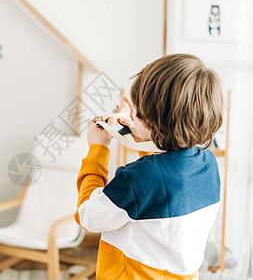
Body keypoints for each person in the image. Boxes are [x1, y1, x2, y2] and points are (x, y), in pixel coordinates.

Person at [75, 53, 224, 279]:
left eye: (139, 111)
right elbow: (164, 182)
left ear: (152, 120)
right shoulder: (208, 165)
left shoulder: (136, 179)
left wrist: (98, 149)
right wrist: (140, 132)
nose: (133, 114)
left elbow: (88, 216)